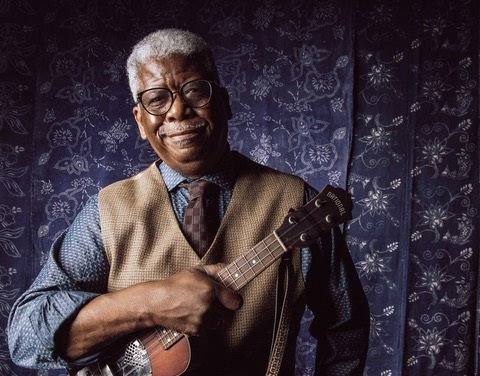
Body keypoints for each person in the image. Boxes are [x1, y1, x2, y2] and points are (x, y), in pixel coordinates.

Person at [8, 29, 370, 376]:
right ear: (140, 120)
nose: (178, 111)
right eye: (156, 99)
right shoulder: (107, 211)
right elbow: (27, 336)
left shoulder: (296, 201)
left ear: (224, 103)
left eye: (195, 91)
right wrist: (148, 303)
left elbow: (345, 327)